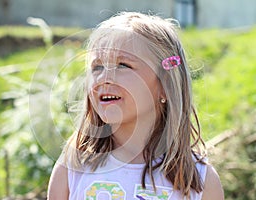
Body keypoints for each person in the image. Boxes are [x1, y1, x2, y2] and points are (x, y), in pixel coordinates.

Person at [47, 12, 224, 200]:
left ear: (166, 86)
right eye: (97, 67)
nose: (105, 78)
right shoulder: (73, 167)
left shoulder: (200, 182)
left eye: (123, 65)